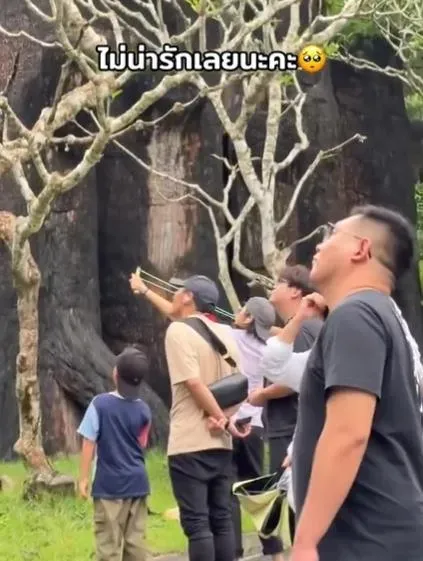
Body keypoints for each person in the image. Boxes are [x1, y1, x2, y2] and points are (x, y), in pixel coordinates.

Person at [290, 205, 423, 561]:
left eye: (331, 234)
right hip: (389, 531)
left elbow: (349, 433)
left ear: (360, 249)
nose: (319, 246)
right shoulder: (386, 316)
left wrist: (305, 541)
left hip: (364, 539)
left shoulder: (356, 315)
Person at [132, 272, 250, 561]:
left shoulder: (178, 332)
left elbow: (193, 383)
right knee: (221, 518)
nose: (174, 295)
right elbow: (240, 386)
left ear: (188, 297)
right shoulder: (226, 333)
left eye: (178, 291)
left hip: (190, 442)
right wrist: (224, 418)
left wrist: (215, 415)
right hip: (220, 442)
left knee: (197, 524)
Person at [220, 297, 284, 561]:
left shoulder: (228, 335)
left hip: (230, 423)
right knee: (259, 492)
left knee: (228, 494)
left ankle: (233, 554)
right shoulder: (269, 347)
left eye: (242, 310)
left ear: (247, 319)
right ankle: (277, 554)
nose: (236, 312)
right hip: (255, 426)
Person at [77, 347, 152, 561]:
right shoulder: (144, 409)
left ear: (115, 374)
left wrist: (83, 478)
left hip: (109, 486)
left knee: (108, 546)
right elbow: (142, 443)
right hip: (138, 483)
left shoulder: (100, 404)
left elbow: (88, 442)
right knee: (136, 544)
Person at [249, 266, 322, 474]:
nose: (273, 286)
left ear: (295, 291)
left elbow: (301, 375)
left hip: (290, 426)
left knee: (286, 498)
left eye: (279, 281)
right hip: (298, 426)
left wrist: (262, 395)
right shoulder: (312, 326)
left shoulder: (301, 328)